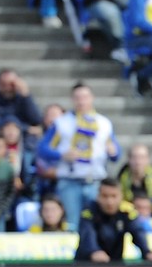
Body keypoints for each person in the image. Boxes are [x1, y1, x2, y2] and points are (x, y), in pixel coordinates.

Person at [37, 82, 121, 231]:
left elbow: (116, 155)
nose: (81, 101)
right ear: (72, 99)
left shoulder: (103, 123)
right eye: (77, 97)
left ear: (92, 98)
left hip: (95, 181)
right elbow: (42, 149)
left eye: (85, 97)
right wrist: (61, 155)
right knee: (72, 224)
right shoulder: (62, 122)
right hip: (70, 181)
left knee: (97, 223)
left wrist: (114, 151)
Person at [74, 177, 152, 262]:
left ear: (121, 196)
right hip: (86, 265)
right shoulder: (89, 211)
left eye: (114, 196)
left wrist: (147, 252)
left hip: (115, 265)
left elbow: (138, 232)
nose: (109, 202)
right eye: (105, 196)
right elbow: (87, 234)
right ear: (98, 196)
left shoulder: (127, 211)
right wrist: (94, 251)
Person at [0, 69, 43, 149]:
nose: (8, 88)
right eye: (4, 84)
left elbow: (36, 119)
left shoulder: (22, 99)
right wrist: (27, 129)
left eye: (11, 84)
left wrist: (26, 95)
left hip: (24, 140)